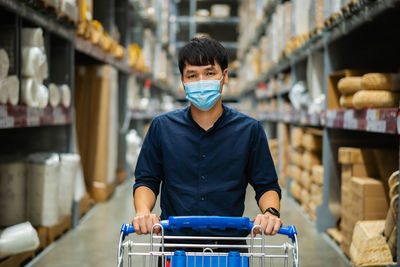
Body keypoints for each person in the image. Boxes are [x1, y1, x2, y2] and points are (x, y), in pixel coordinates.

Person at [132, 37, 282, 243]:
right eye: (192, 75)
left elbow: (266, 185)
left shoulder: (249, 130)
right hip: (176, 248)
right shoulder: (162, 127)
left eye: (210, 73)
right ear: (183, 82)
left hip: (230, 248)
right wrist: (143, 212)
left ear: (225, 76)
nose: (201, 82)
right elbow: (146, 180)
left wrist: (270, 213)